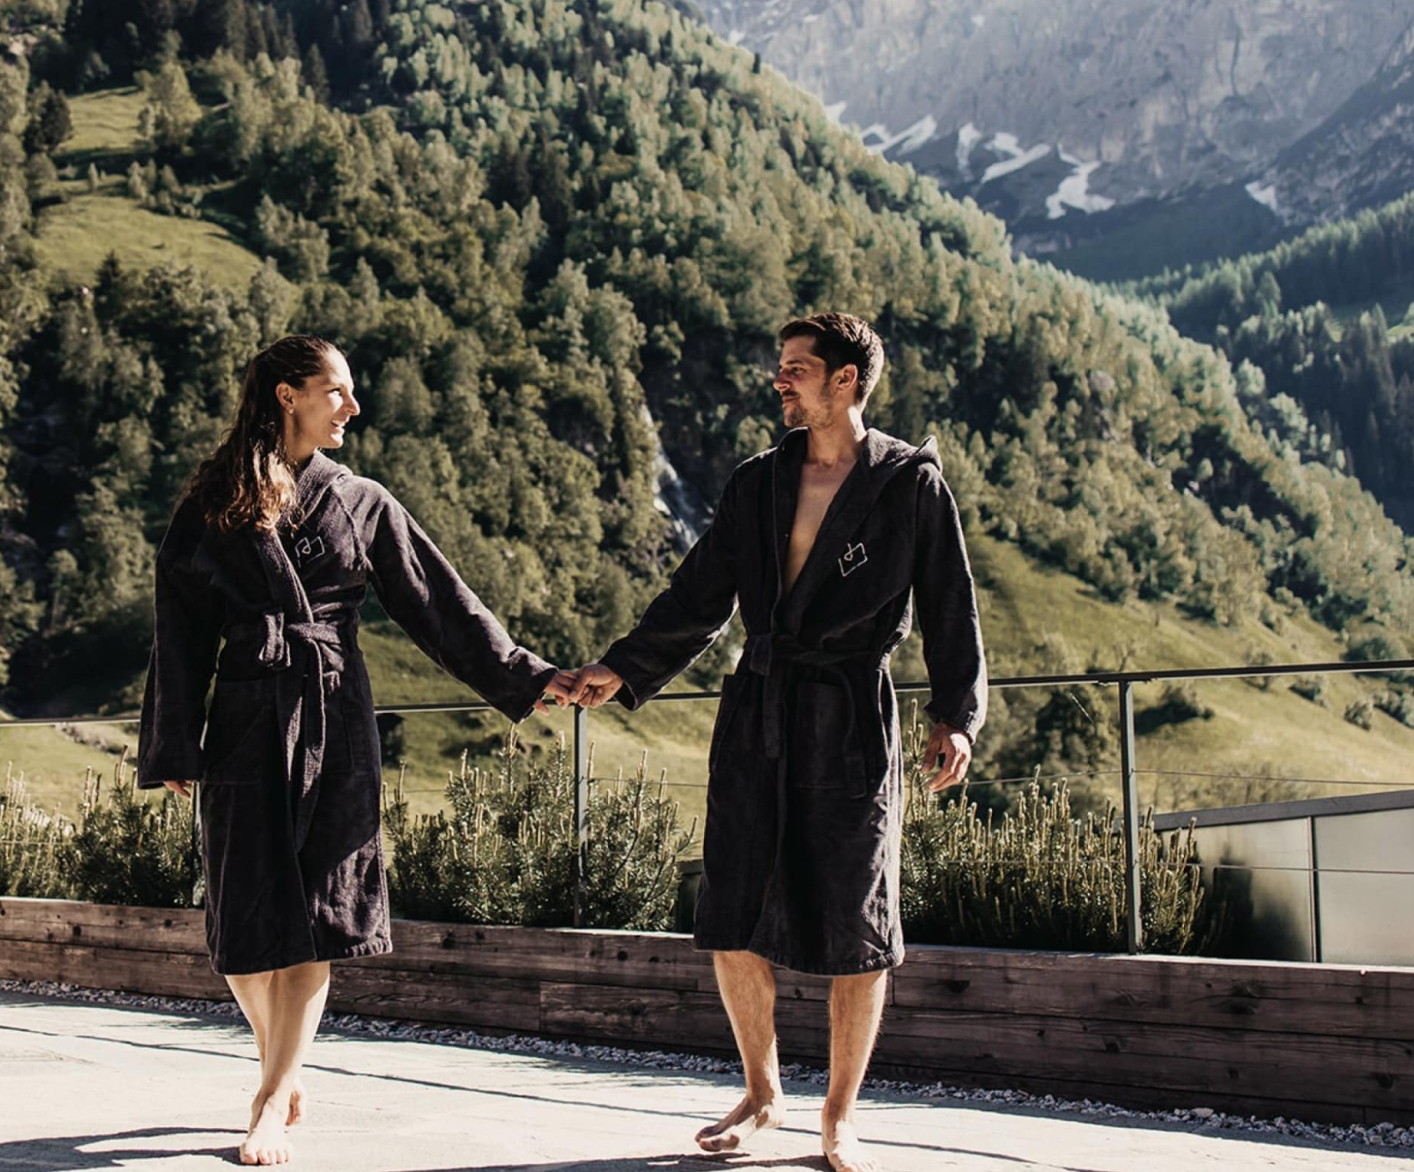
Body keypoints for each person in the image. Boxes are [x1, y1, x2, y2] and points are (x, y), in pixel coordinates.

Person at [137, 334, 575, 1166]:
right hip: (242, 718)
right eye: (336, 391)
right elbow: (178, 633)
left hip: (334, 718)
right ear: (286, 396)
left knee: (318, 915)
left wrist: (527, 677)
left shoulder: (361, 501)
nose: (353, 407)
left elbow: (442, 607)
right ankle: (283, 1059)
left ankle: (270, 1096)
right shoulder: (211, 504)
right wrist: (171, 745)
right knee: (237, 921)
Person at [568, 312, 987, 1172]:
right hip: (757, 709)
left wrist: (957, 718)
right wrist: (623, 667)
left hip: (849, 717)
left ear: (846, 380)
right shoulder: (758, 482)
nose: (780, 380)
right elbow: (699, 594)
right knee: (730, 911)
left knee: (856, 919)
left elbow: (951, 606)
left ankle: (840, 1115)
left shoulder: (909, 483)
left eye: (797, 368)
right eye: (781, 368)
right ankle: (763, 1095)